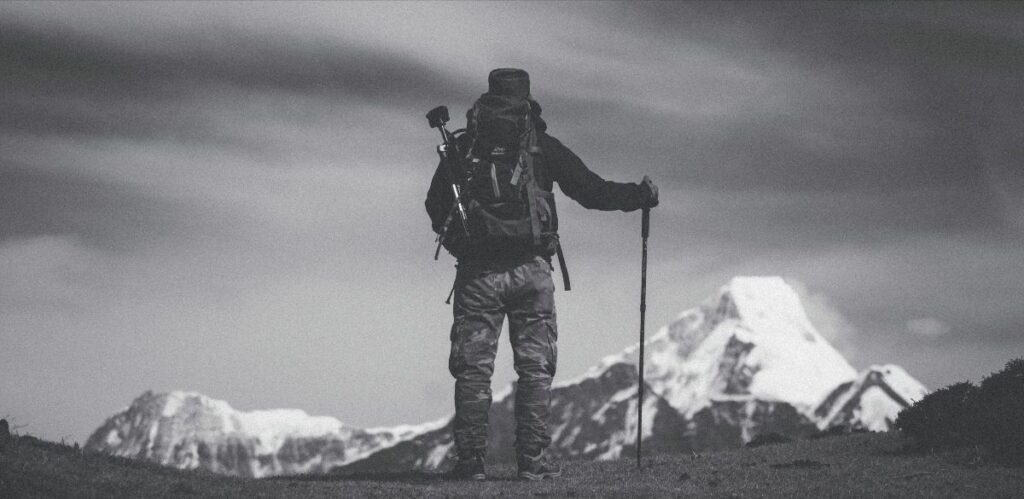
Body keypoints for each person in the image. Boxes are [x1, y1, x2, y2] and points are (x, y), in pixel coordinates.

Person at [425, 68, 659, 481]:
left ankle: (470, 464)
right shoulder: (541, 147)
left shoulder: (463, 147)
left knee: (474, 370)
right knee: (534, 370)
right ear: (527, 98)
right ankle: (532, 464)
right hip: (532, 272)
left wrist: (468, 249)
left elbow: (434, 205)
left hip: (478, 274)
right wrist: (638, 196)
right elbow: (591, 191)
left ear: (488, 96)